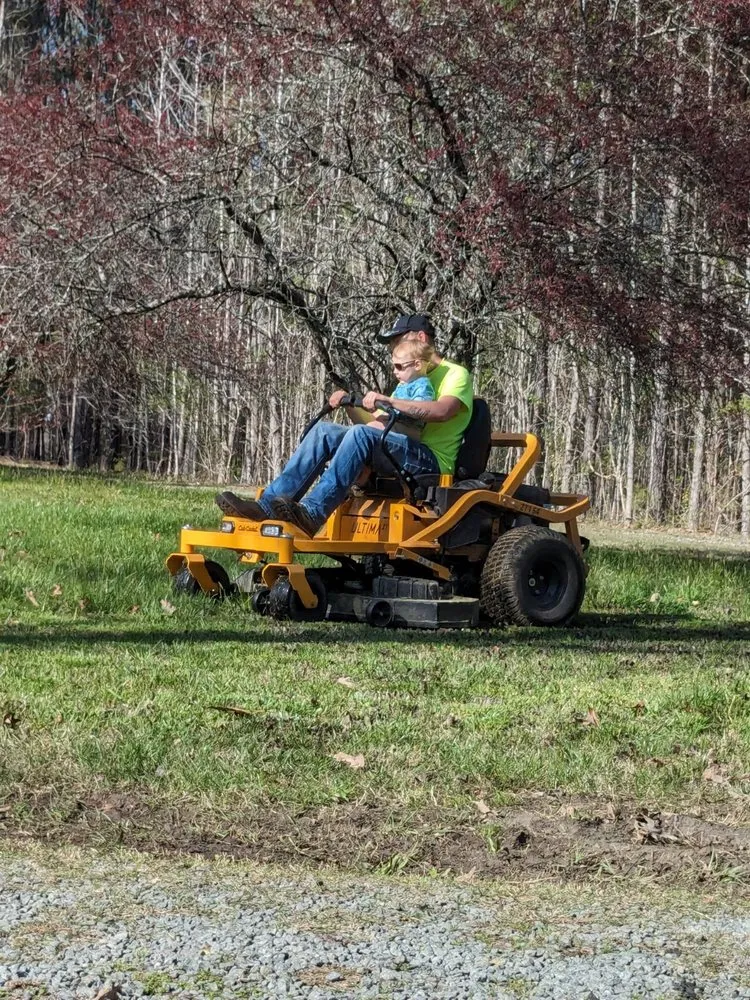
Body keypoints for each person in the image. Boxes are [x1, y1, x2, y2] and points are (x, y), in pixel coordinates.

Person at [215, 314, 474, 537]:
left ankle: (313, 513)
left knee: (361, 435)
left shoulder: (455, 374)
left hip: (432, 461)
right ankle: (268, 506)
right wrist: (351, 405)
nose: (394, 347)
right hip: (398, 447)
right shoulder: (408, 377)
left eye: (399, 340)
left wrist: (389, 401)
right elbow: (376, 428)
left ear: (421, 338)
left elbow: (441, 411)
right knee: (324, 431)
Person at [367, 339, 435, 440]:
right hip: (396, 424)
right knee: (370, 426)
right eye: (393, 366)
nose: (394, 371)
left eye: (398, 366)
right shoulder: (402, 385)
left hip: (410, 429)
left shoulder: (423, 385)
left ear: (417, 365)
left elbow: (417, 411)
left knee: (368, 431)